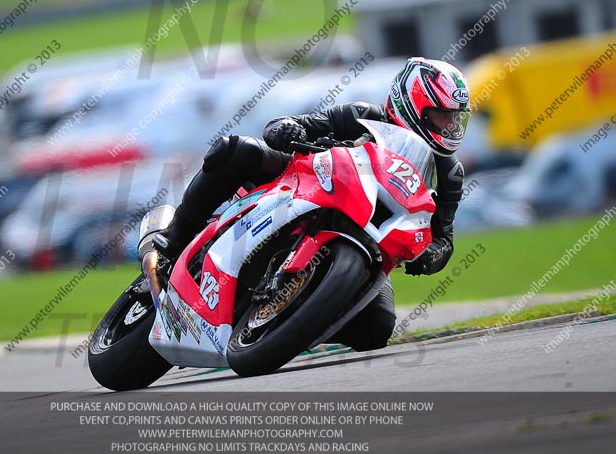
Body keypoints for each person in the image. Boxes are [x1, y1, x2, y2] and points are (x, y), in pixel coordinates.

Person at [153, 57, 471, 351]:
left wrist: (429, 255)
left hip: (371, 245)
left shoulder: (448, 174)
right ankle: (175, 237)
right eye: (442, 115)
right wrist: (289, 130)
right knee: (237, 150)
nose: (449, 126)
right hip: (305, 185)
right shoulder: (362, 116)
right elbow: (292, 123)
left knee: (377, 328)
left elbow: (444, 237)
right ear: (412, 103)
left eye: (454, 118)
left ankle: (293, 322)